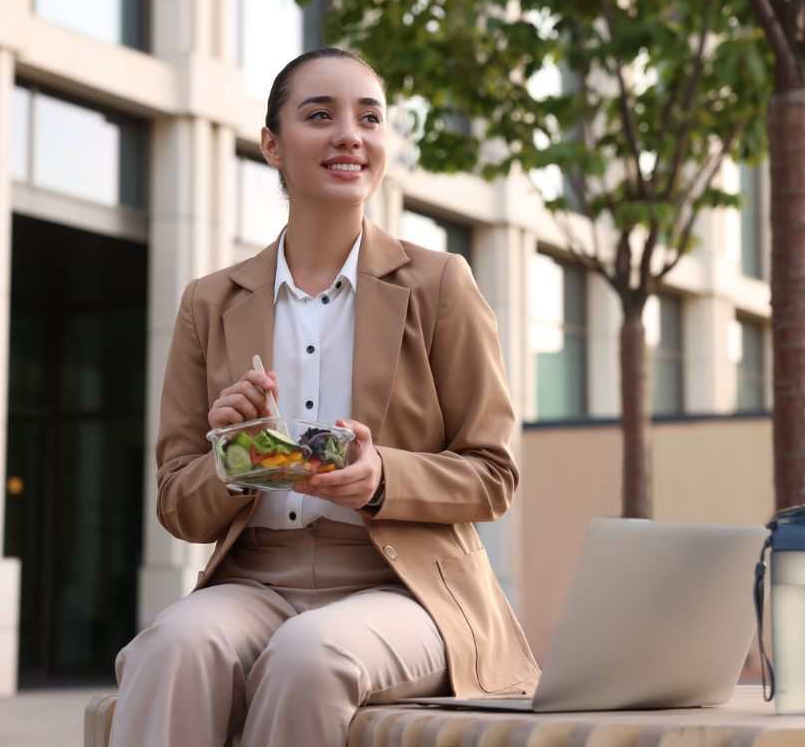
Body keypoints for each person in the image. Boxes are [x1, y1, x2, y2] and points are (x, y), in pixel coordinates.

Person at [110, 47, 539, 747]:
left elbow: (494, 474)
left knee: (310, 656)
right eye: (321, 115)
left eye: (370, 118)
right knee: (169, 647)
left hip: (405, 589)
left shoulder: (439, 285)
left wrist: (382, 478)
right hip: (255, 581)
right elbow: (176, 504)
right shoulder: (210, 303)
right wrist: (231, 460)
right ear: (272, 146)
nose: (351, 134)